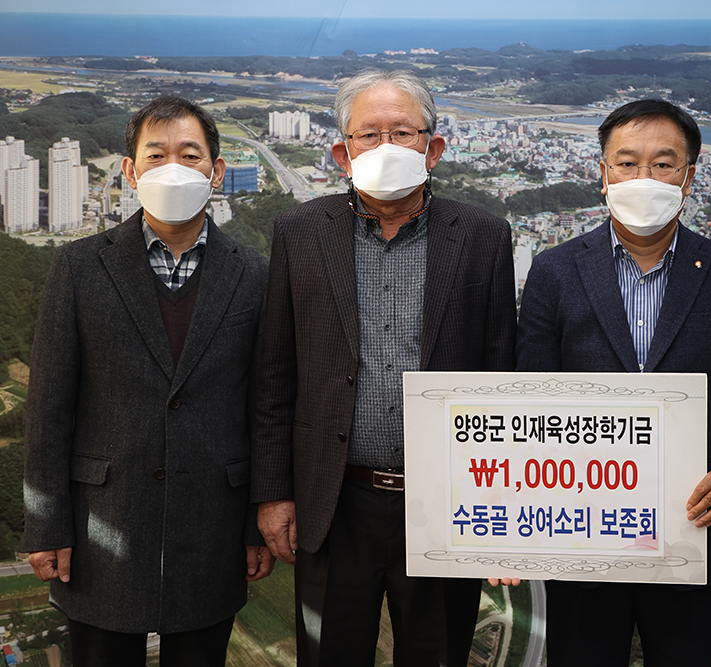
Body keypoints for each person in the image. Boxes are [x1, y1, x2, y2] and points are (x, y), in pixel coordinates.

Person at [252, 68, 517, 667]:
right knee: (329, 653)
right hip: (334, 495)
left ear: (435, 147)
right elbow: (275, 375)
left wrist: (502, 513)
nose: (387, 147)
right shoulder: (299, 232)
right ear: (341, 152)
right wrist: (273, 494)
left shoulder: (482, 236)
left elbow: (502, 374)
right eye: (369, 135)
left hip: (447, 501)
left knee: (438, 652)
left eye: (403, 132)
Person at [516, 98, 711, 666]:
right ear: (602, 173)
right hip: (583, 531)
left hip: (692, 529)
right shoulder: (555, 270)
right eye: (627, 162)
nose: (644, 178)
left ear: (690, 177)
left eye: (663, 164)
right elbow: (527, 399)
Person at [20, 96, 273, 667]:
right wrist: (46, 522)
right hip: (102, 522)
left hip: (213, 523)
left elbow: (265, 406)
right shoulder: (80, 266)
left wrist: (260, 517)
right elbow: (49, 408)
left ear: (217, 169)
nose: (174, 169)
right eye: (155, 156)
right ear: (131, 171)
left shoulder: (255, 273)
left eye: (190, 155)